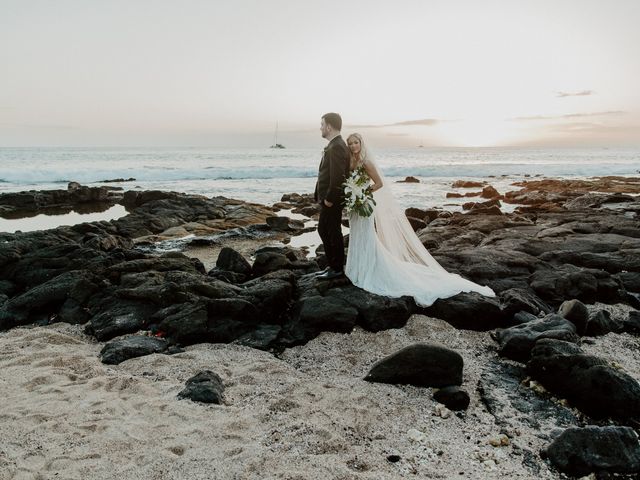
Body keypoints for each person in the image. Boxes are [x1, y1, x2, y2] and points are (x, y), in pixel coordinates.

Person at [343, 133, 495, 306]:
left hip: (364, 203)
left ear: (361, 143)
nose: (353, 146)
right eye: (350, 143)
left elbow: (378, 183)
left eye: (356, 142)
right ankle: (356, 269)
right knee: (356, 235)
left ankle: (368, 271)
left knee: (367, 235)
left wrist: (363, 194)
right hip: (354, 206)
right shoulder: (350, 162)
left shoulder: (366, 162)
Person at [314, 113, 350, 280]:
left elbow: (338, 176)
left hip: (332, 200)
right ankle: (333, 266)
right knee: (325, 230)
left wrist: (329, 198)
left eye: (322, 124)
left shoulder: (337, 146)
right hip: (329, 199)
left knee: (331, 231)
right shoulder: (335, 145)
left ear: (329, 126)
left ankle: (336, 268)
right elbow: (327, 173)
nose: (320, 127)